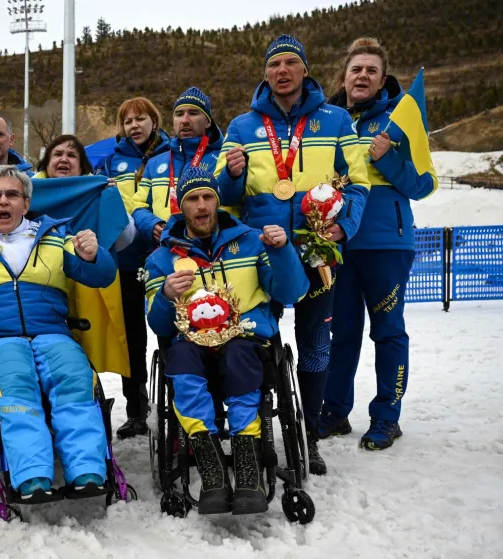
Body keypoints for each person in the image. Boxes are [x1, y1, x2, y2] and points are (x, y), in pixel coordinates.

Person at [214, 35, 371, 475]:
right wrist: (230, 174)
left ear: (305, 70)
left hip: (317, 247)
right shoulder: (242, 126)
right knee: (257, 340)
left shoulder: (337, 120)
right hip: (261, 251)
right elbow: (223, 197)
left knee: (316, 345)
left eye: (290, 63)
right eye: (274, 64)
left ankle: (310, 434)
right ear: (265, 74)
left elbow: (358, 182)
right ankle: (260, 428)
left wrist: (347, 225)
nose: (282, 71)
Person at [0, 165, 117, 498]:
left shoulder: (55, 236)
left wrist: (95, 256)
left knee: (75, 379)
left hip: (52, 332)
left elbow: (101, 277)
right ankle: (32, 476)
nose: (3, 201)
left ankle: (88, 470)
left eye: (12, 194)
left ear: (26, 202)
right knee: (16, 385)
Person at [143, 167, 307, 515]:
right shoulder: (160, 259)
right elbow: (158, 324)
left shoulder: (251, 241)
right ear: (179, 205)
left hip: (245, 339)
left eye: (207, 197)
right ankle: (210, 462)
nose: (201, 206)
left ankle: (248, 462)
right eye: (192, 199)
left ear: (217, 201)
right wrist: (165, 297)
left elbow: (293, 292)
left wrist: (281, 252)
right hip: (191, 344)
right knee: (181, 359)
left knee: (239, 354)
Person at [321, 38, 437, 450]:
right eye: (356, 69)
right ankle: (334, 413)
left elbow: (424, 184)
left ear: (382, 78)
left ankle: (387, 416)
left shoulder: (401, 120)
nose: (363, 76)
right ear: (345, 77)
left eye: (371, 70)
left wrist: (388, 157)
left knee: (387, 332)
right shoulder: (330, 120)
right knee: (343, 334)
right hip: (339, 244)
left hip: (386, 243)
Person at [94, 97, 172, 439]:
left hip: (167, 260)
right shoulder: (109, 162)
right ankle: (137, 411)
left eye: (141, 119)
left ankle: (176, 405)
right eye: (127, 121)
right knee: (133, 340)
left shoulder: (172, 156)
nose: (134, 126)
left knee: (172, 333)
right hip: (125, 264)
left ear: (154, 121)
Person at [135, 87, 226, 251]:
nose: (184, 120)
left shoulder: (221, 158)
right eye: (179, 114)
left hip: (208, 248)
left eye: (193, 113)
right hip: (164, 248)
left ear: (208, 121)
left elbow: (227, 205)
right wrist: (151, 224)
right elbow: (138, 205)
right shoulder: (155, 163)